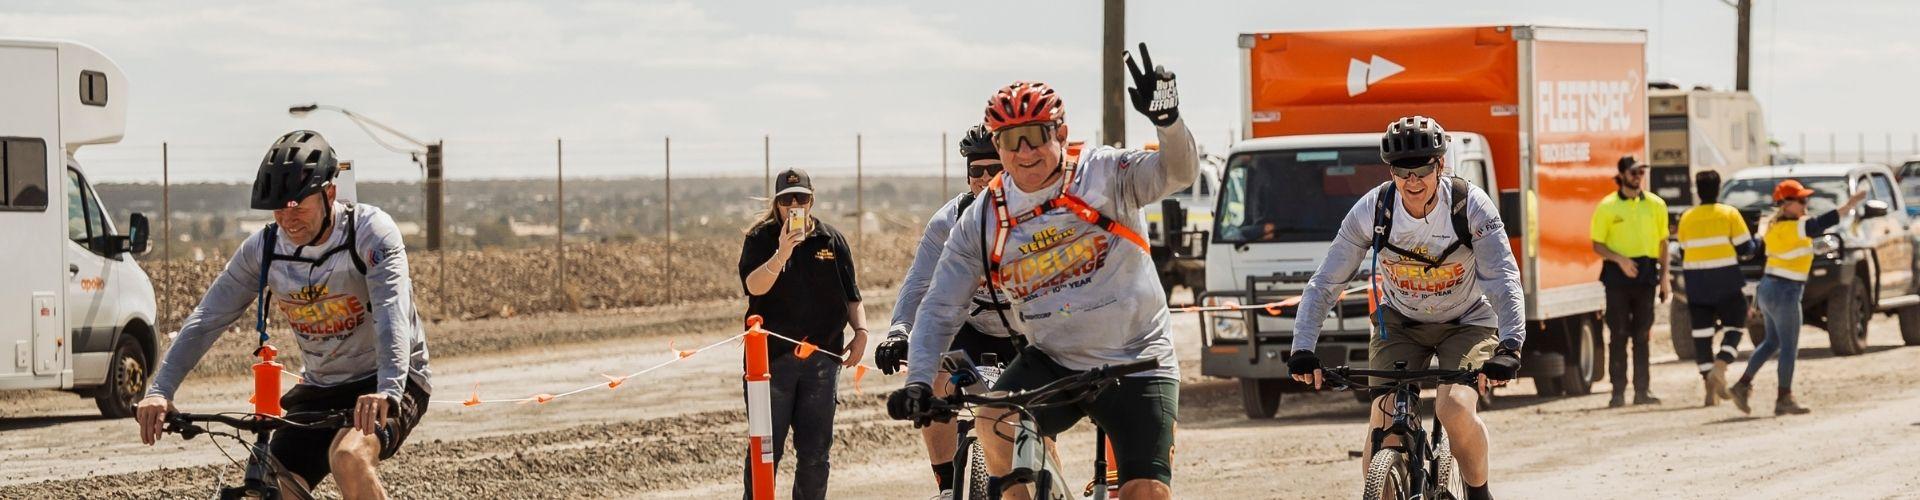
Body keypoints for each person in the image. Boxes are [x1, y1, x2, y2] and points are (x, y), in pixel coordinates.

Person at [887, 42, 1195, 500]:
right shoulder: (984, 215)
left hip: (1136, 358)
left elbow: (1179, 172)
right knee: (994, 421)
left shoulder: (1105, 173)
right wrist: (917, 381)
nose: (1025, 151)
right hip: (1054, 358)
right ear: (997, 144)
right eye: (1011, 139)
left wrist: (1167, 122)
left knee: (1143, 491)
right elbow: (939, 305)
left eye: (1035, 134)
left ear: (1061, 132)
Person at [135, 130, 434, 499]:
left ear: (329, 194)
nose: (288, 219)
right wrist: (161, 390)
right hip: (323, 385)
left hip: (389, 378)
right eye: (279, 209)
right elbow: (208, 317)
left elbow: (391, 315)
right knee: (273, 483)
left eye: (298, 206)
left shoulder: (370, 234)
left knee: (348, 457)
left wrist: (387, 391)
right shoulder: (264, 249)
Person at [1286, 116, 1525, 500]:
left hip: (1466, 321)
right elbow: (1326, 283)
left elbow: (1502, 280)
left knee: (1455, 408)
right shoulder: (1373, 211)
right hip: (1399, 322)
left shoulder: (1470, 206)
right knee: (1383, 422)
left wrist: (1510, 346)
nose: (1413, 182)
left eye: (1422, 171)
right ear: (1391, 171)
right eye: (1402, 172)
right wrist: (1302, 348)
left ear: (1440, 166)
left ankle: (1480, 494)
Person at [873, 124, 1021, 500]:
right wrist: (898, 332)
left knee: (1037, 425)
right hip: (971, 325)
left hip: (1024, 329)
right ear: (967, 175)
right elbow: (918, 282)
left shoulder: (1032, 213)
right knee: (936, 384)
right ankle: (946, 485)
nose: (985, 178)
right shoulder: (946, 221)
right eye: (976, 171)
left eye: (994, 169)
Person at [738, 167, 870, 500]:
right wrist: (783, 252)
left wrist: (862, 332)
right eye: (786, 199)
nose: (794, 204)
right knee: (766, 452)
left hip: (822, 361)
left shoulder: (831, 240)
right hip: (770, 365)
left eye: (801, 198)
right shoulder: (760, 238)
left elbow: (852, 296)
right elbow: (754, 286)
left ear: (812, 200)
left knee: (815, 456)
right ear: (777, 203)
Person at [1731, 181, 1868, 415]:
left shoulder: (1774, 227)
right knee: (1788, 348)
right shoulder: (1794, 228)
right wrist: (1850, 204)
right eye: (1801, 200)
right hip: (1785, 291)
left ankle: (1742, 385)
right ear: (1785, 205)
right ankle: (1784, 397)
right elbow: (1823, 222)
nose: (1806, 204)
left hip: (1769, 289)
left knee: (1771, 342)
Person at [1589, 156, 1670, 407]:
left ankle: (1642, 391)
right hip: (1617, 278)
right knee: (1618, 334)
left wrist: (1664, 278)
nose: (1638, 176)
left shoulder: (1656, 205)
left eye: (1641, 172)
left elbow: (1663, 243)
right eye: (1634, 172)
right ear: (1622, 174)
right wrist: (1620, 260)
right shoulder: (1607, 206)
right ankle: (1618, 392)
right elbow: (1597, 244)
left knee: (1642, 335)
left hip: (1646, 276)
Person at [1674, 171, 1755, 406]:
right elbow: (1745, 249)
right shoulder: (1729, 214)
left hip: (1697, 285)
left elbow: (1683, 251)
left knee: (1702, 336)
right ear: (1719, 189)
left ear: (1696, 190)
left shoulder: (1687, 217)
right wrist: (1756, 243)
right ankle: (1720, 366)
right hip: (1726, 282)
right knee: (1736, 326)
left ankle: (1708, 389)